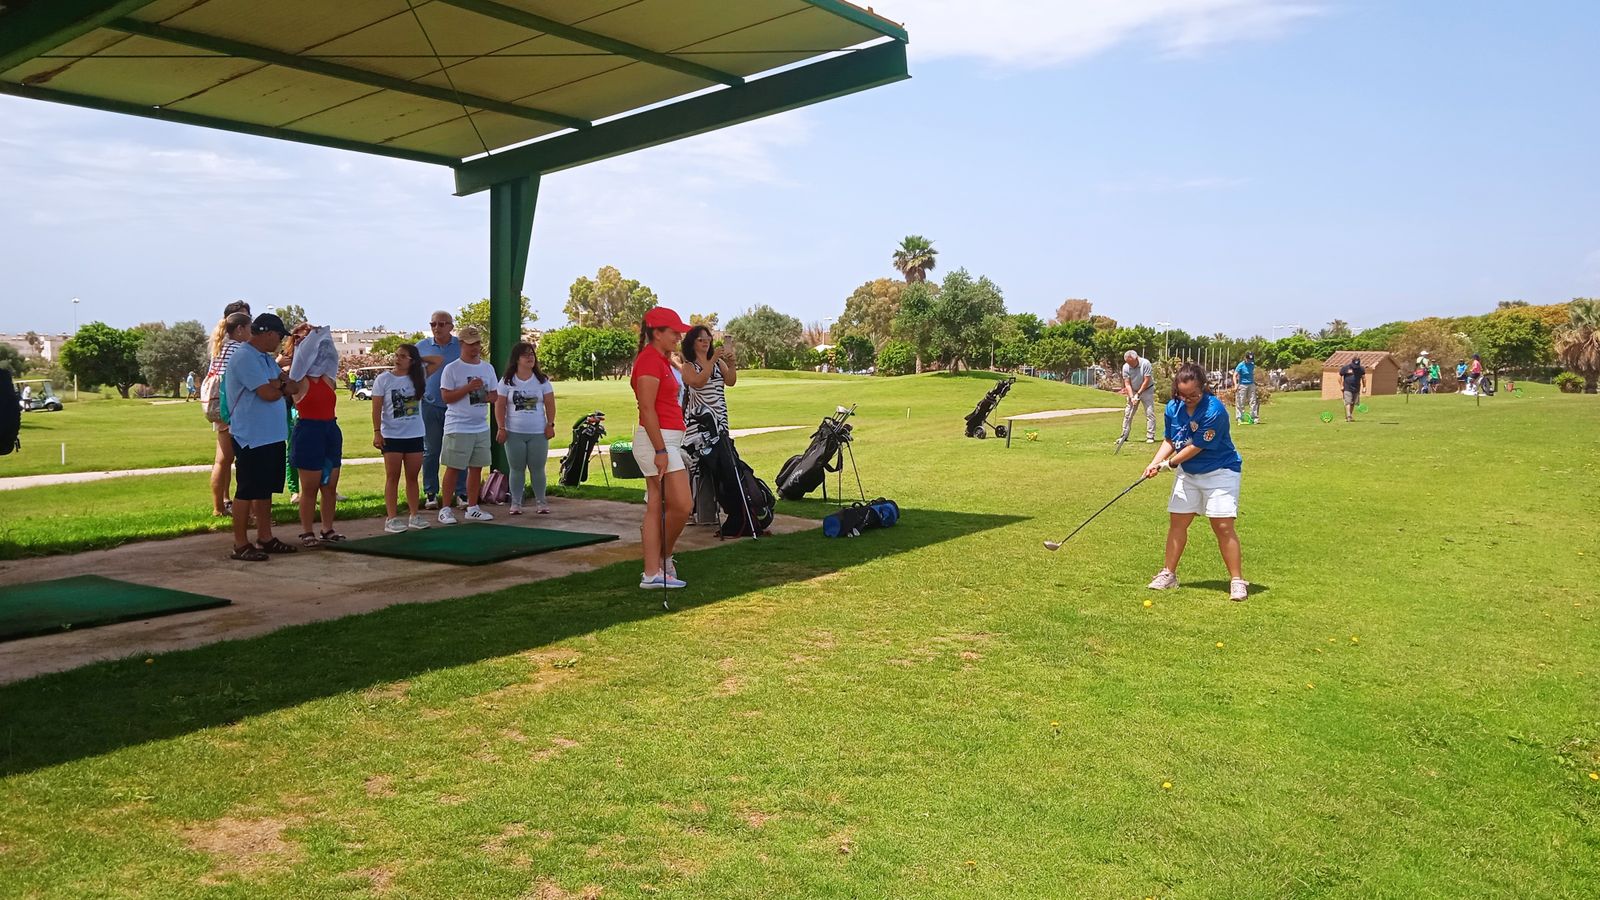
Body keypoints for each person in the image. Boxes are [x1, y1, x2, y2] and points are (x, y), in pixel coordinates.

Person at [1144, 362, 1247, 601]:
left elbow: (1197, 446)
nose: (1188, 399)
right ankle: (1168, 574)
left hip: (1220, 471)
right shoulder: (1173, 408)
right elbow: (1171, 440)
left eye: (1193, 394)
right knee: (1177, 523)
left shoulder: (1214, 410)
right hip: (1188, 474)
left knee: (1222, 526)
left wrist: (1169, 464)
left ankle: (1237, 581)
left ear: (1204, 387)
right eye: (1182, 395)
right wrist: (1153, 463)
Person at [223, 313, 297, 561]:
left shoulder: (264, 358)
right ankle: (240, 543)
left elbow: (291, 385)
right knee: (247, 489)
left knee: (264, 490)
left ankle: (265, 537)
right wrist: (279, 385)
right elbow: (267, 393)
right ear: (268, 333)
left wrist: (278, 384)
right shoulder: (244, 357)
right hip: (251, 436)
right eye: (279, 336)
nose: (280, 341)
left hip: (271, 435)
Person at [631, 307, 694, 590]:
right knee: (682, 504)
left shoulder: (661, 360)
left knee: (657, 505)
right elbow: (647, 409)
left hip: (666, 441)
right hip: (657, 442)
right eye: (673, 332)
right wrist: (659, 451)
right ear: (657, 333)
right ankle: (661, 559)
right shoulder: (648, 361)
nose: (678, 337)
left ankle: (652, 571)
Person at [285, 325, 345, 546]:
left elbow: (331, 356)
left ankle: (327, 528)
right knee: (309, 487)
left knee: (329, 487)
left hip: (330, 430)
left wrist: (321, 336)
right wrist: (306, 340)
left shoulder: (328, 379)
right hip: (309, 431)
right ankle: (307, 531)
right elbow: (300, 361)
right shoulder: (299, 380)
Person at [372, 343, 438, 532]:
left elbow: (437, 361)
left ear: (412, 360)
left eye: (403, 356)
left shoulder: (418, 376)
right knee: (392, 476)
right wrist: (377, 432)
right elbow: (376, 408)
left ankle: (414, 515)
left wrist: (418, 359)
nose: (397, 359)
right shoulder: (383, 379)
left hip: (414, 434)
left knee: (412, 477)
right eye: (396, 355)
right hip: (392, 435)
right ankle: (391, 518)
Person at [435, 325, 497, 524]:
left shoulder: (487, 368)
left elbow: (494, 395)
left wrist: (483, 395)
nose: (475, 347)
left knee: (476, 467)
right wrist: (468, 388)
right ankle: (445, 508)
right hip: (458, 426)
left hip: (480, 426)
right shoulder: (452, 369)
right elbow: (446, 397)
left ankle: (472, 507)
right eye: (470, 344)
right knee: (453, 467)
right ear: (461, 344)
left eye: (477, 343)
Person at [494, 342, 556, 515]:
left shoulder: (542, 381)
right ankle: (516, 503)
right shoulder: (506, 381)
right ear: (517, 359)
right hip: (514, 432)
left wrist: (550, 424)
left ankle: (541, 502)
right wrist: (501, 427)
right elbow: (499, 406)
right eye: (525, 355)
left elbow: (550, 404)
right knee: (516, 468)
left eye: (532, 354)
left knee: (537, 468)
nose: (530, 357)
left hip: (538, 432)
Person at [205, 311, 252, 516]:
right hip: (235, 410)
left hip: (219, 409)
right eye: (249, 328)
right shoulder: (239, 349)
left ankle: (218, 507)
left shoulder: (220, 348)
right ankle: (248, 510)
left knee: (221, 461)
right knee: (245, 462)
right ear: (240, 329)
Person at [417, 310, 465, 510]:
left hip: (456, 406)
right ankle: (431, 493)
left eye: (442, 324)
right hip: (430, 405)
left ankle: (461, 492)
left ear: (451, 327)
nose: (437, 328)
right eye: (433, 324)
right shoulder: (421, 347)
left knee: (459, 449)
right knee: (431, 450)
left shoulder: (461, 346)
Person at [1118, 350, 1156, 445]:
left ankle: (1150, 436)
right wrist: (1132, 397)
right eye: (1128, 363)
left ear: (1136, 358)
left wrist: (1138, 395)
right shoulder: (1126, 367)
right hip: (1133, 390)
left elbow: (1146, 380)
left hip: (1147, 390)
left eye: (1131, 363)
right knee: (1128, 413)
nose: (1130, 365)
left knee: (1149, 413)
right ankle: (1124, 436)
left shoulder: (1145, 363)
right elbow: (1127, 384)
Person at [1233, 351, 1260, 424]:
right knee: (1240, 401)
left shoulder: (1252, 365)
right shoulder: (1240, 365)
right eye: (1248, 359)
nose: (1249, 361)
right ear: (1245, 358)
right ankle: (1239, 417)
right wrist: (1235, 384)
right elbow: (1235, 375)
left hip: (1251, 384)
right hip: (1242, 385)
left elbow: (1252, 374)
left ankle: (1254, 417)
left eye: (1251, 359)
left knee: (1253, 401)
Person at [1339, 355, 1365, 421]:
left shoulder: (1361, 369)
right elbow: (1339, 377)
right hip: (1347, 388)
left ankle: (1349, 415)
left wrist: (1364, 387)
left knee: (1353, 403)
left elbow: (1364, 378)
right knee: (1348, 402)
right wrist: (1341, 385)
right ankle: (1348, 416)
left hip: (1356, 388)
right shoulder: (1345, 368)